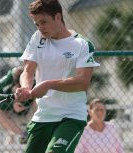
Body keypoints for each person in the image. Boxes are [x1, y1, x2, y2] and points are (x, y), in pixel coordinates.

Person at [15, 0, 100, 152]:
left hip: (71, 117)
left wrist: (48, 85)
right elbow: (28, 70)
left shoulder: (82, 44)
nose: (41, 28)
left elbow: (83, 82)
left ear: (58, 17)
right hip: (43, 116)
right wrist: (26, 88)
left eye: (44, 22)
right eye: (37, 24)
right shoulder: (37, 38)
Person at [0, 66, 37, 144]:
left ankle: (35, 129)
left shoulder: (33, 79)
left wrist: (29, 95)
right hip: (11, 116)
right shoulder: (5, 82)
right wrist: (12, 104)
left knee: (39, 99)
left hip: (30, 113)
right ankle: (23, 135)